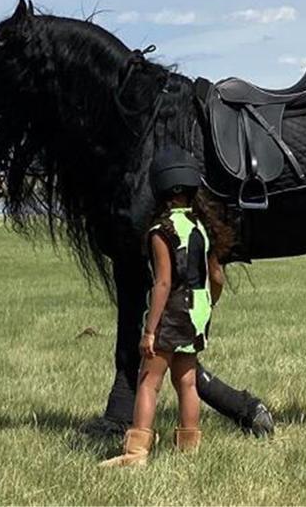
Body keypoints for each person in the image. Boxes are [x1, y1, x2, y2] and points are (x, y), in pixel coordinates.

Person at [101, 145, 226, 467]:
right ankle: (189, 447)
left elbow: (163, 283)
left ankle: (136, 451)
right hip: (197, 312)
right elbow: (217, 276)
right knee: (186, 382)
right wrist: (208, 304)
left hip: (171, 312)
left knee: (148, 381)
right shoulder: (203, 229)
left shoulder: (161, 232)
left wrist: (150, 330)